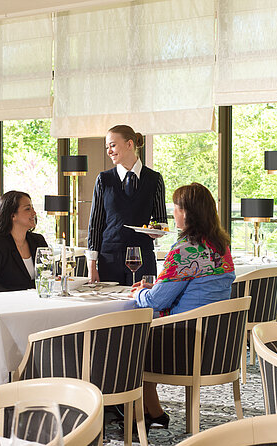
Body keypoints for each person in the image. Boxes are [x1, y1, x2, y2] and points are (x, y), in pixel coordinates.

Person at [130, 183, 236, 429]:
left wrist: (138, 293)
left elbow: (157, 301)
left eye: (175, 208)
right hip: (216, 342)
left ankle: (135, 411)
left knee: (128, 343)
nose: (173, 213)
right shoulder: (220, 247)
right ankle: (153, 411)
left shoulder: (184, 250)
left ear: (187, 212)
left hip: (184, 344)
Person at [87, 125, 167, 285]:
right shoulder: (104, 180)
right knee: (110, 308)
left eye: (113, 145)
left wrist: (156, 230)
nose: (109, 151)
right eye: (107, 147)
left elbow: (161, 220)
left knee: (142, 307)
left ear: (130, 144)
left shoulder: (154, 179)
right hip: (109, 258)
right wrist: (92, 265)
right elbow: (95, 224)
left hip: (143, 258)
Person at [0, 190, 48, 294]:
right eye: (28, 209)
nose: (34, 213)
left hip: (37, 304)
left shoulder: (38, 241)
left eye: (32, 208)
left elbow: (49, 274)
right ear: (12, 215)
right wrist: (19, 296)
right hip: (7, 306)